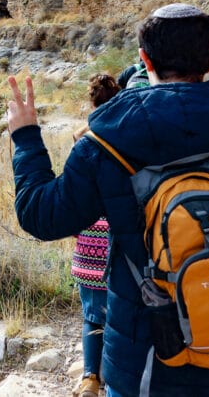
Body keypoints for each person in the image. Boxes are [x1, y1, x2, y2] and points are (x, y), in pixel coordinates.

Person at [5, 3, 209, 397]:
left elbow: (40, 216)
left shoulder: (104, 145)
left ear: (144, 59)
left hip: (143, 359)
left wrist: (26, 138)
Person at [71, 73, 121, 397]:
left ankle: (91, 378)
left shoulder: (81, 139)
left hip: (90, 238)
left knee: (92, 313)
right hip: (121, 241)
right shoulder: (130, 136)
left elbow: (73, 194)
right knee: (122, 314)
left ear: (91, 103)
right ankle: (117, 376)